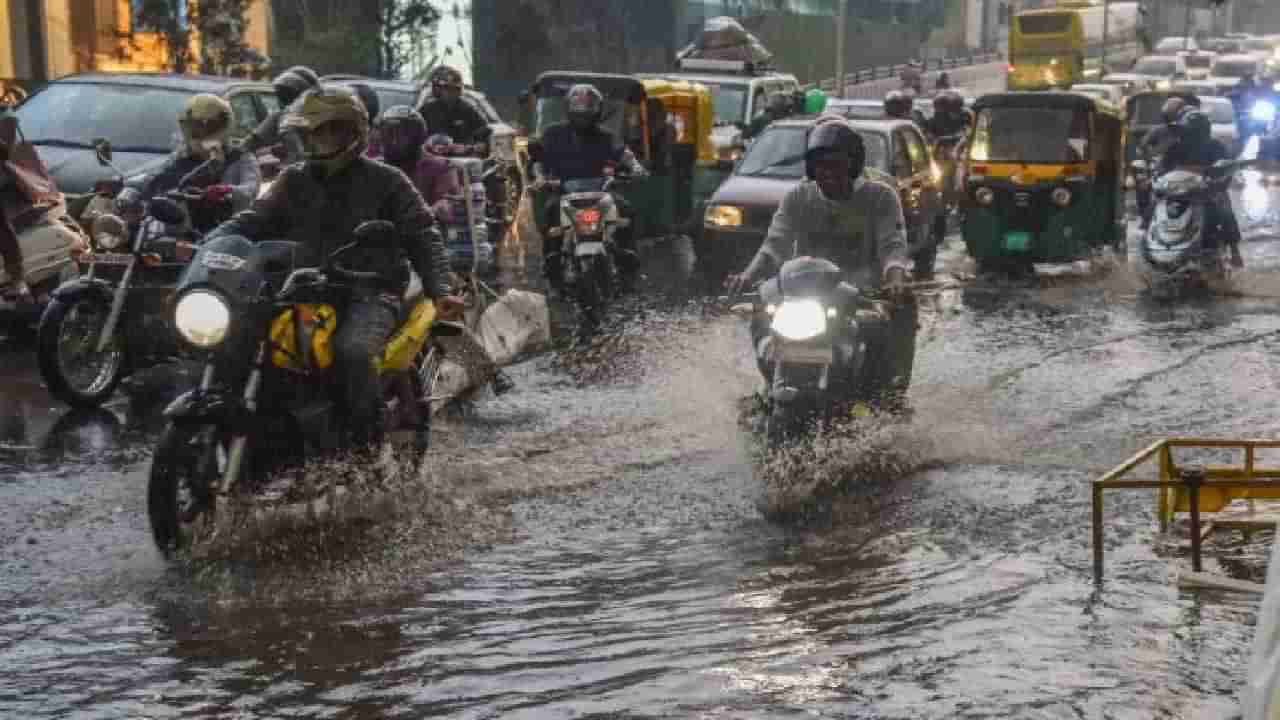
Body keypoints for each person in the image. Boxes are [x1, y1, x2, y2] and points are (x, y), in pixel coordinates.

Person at [204, 85, 463, 459]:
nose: (315, 141)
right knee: (238, 340)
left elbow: (423, 234)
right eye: (310, 133)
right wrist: (209, 247)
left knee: (353, 353)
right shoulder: (293, 180)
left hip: (370, 291)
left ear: (352, 133)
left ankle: (363, 453)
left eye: (325, 132)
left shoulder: (387, 181)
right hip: (301, 287)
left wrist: (441, 289)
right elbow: (252, 220)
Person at [725, 119, 917, 410]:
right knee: (761, 314)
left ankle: (889, 397)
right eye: (820, 167)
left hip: (862, 294)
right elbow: (773, 245)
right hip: (804, 292)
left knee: (895, 317)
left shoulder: (879, 197)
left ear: (853, 165)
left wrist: (895, 278)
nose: (827, 174)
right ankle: (769, 382)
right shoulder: (799, 197)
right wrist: (746, 276)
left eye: (836, 166)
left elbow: (892, 245)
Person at [530, 83, 649, 296]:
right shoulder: (552, 134)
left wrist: (636, 168)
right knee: (550, 213)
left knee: (627, 210)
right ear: (569, 111)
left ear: (597, 113)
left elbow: (624, 154)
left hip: (601, 192)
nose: (582, 119)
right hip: (564, 192)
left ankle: (628, 267)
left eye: (587, 115)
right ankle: (553, 272)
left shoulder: (606, 136)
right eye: (578, 114)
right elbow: (538, 159)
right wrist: (539, 177)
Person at [121, 93, 260, 233]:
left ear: (223, 125)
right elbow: (154, 177)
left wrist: (227, 190)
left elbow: (250, 190)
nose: (199, 132)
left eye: (207, 126)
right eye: (194, 126)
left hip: (219, 231)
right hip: (173, 225)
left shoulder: (240, 157)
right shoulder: (181, 155)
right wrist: (122, 184)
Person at [1158, 107, 1244, 268]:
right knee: (1155, 206)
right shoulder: (1174, 148)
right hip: (1179, 193)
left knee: (1224, 209)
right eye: (1190, 132)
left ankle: (1234, 251)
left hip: (1207, 192)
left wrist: (1219, 182)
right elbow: (1162, 169)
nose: (1192, 136)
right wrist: (1155, 180)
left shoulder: (1216, 146)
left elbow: (1227, 167)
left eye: (1195, 132)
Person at [244, 65, 320, 161]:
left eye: (289, 95)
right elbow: (249, 144)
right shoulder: (278, 117)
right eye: (283, 95)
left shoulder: (321, 118)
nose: (286, 100)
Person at [1136, 96, 1187, 229]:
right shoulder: (1158, 131)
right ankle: (1146, 223)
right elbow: (1143, 146)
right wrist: (1150, 159)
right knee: (1146, 190)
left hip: (1188, 176)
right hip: (1164, 174)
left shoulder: (1190, 132)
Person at [417, 65, 491, 151]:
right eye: (447, 89)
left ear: (459, 91)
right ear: (440, 90)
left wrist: (481, 143)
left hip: (463, 158)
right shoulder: (427, 110)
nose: (451, 93)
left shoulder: (467, 109)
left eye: (455, 89)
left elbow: (483, 130)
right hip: (432, 157)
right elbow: (415, 132)